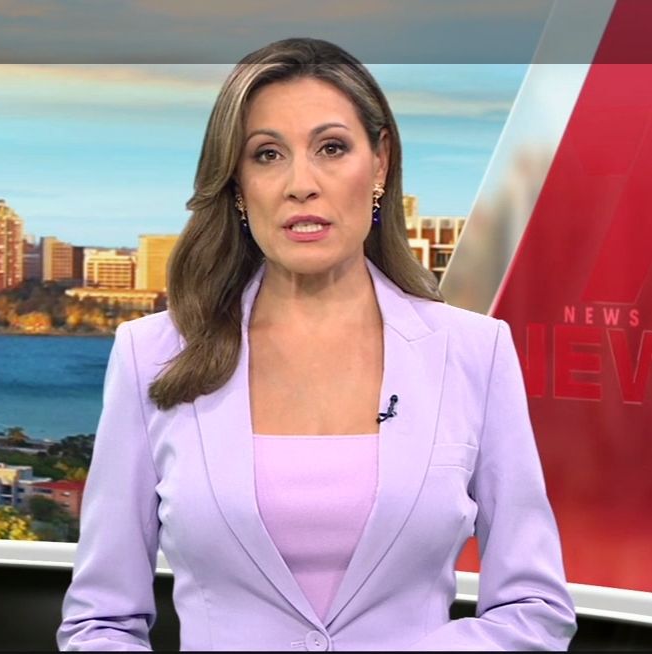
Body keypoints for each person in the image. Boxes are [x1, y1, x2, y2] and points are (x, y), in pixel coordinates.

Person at [57, 38, 577, 651]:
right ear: (236, 183)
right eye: (267, 154)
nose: (301, 184)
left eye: (331, 148)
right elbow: (99, 623)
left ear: (379, 162)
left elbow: (534, 608)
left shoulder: (474, 353)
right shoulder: (152, 354)